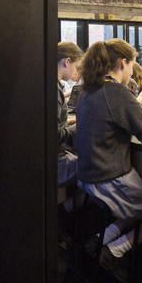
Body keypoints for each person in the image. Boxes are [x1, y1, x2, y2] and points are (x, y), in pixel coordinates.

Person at [74, 39, 142, 275]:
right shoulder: (116, 92)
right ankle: (116, 250)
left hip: (89, 179)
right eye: (133, 64)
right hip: (111, 181)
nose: (133, 70)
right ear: (123, 63)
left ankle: (100, 239)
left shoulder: (88, 89)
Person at [56, 42, 83, 194]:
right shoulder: (55, 90)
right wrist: (81, 124)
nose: (75, 72)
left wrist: (69, 122)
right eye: (76, 66)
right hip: (57, 164)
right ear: (67, 61)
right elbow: (56, 135)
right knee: (98, 167)